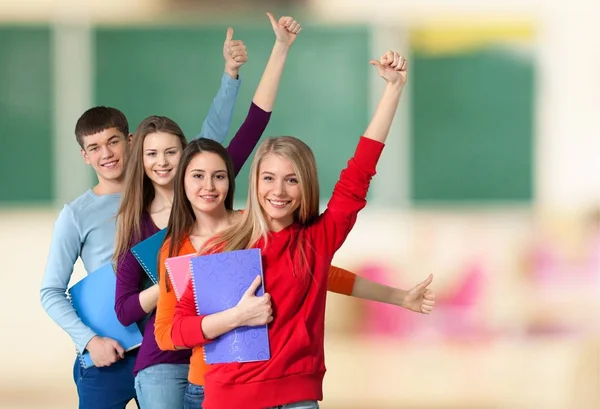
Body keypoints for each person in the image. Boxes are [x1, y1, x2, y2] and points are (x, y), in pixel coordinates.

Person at [172, 49, 435, 409]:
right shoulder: (225, 247)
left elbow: (359, 174)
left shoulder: (316, 240)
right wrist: (237, 316)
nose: (278, 191)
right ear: (254, 183)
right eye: (268, 178)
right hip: (230, 400)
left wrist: (393, 90)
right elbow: (178, 330)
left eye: (291, 180)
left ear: (306, 185)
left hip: (298, 399)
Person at [39, 28, 246, 409]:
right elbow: (50, 292)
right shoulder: (77, 214)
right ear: (85, 156)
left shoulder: (171, 189)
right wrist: (89, 342)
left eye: (114, 142)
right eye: (95, 148)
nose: (107, 154)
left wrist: (230, 76)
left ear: (132, 141)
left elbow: (210, 139)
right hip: (111, 352)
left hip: (170, 345)